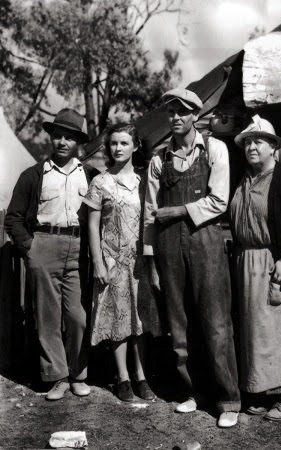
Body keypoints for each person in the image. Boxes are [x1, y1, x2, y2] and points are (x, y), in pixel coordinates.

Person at [143, 88, 241, 427]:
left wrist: (177, 211)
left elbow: (219, 201)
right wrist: (151, 260)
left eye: (183, 112)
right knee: (179, 325)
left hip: (206, 243)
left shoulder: (215, 149)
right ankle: (193, 392)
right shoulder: (159, 160)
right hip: (168, 246)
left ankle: (228, 400)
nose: (176, 118)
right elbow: (149, 214)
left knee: (216, 324)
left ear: (196, 115)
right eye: (171, 112)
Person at [6, 108, 97, 400]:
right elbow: (13, 218)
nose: (62, 142)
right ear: (51, 138)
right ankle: (58, 377)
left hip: (79, 248)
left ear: (78, 142)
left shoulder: (91, 175)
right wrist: (30, 248)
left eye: (69, 138)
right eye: (57, 136)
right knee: (48, 316)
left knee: (78, 316)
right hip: (44, 245)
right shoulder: (34, 175)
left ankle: (77, 373)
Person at [229, 115, 281, 421]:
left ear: (273, 147)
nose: (252, 147)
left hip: (274, 263)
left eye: (258, 142)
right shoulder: (242, 177)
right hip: (246, 263)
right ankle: (260, 393)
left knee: (280, 331)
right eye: (248, 142)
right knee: (256, 333)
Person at [84, 123, 162, 402]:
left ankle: (141, 377)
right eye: (114, 143)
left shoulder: (144, 182)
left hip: (140, 260)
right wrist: (98, 262)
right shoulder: (100, 182)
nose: (118, 148)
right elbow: (92, 226)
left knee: (140, 319)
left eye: (124, 143)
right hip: (113, 259)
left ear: (136, 146)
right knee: (118, 319)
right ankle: (123, 378)